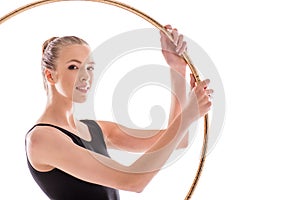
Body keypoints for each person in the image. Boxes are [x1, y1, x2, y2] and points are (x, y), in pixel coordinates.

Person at [25, 25, 213, 200]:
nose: (86, 76)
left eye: (89, 67)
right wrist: (188, 114)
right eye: (73, 67)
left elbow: (178, 140)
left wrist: (177, 68)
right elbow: (132, 181)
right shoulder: (41, 139)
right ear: (50, 75)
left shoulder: (95, 129)